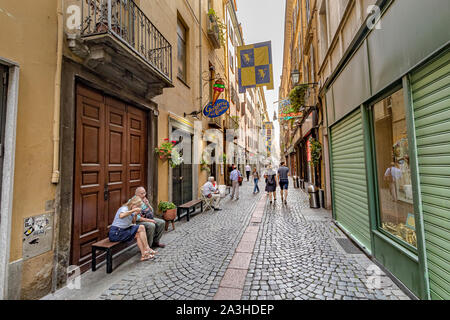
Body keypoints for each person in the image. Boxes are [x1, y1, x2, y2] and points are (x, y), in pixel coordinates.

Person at [109, 197, 156, 261]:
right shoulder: (124, 208)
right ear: (133, 204)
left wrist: (135, 214)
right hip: (116, 233)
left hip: (123, 230)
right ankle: (147, 249)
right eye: (138, 206)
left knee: (139, 233)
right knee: (141, 227)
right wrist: (133, 211)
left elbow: (133, 223)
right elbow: (121, 216)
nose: (138, 207)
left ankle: (144, 255)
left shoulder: (131, 211)